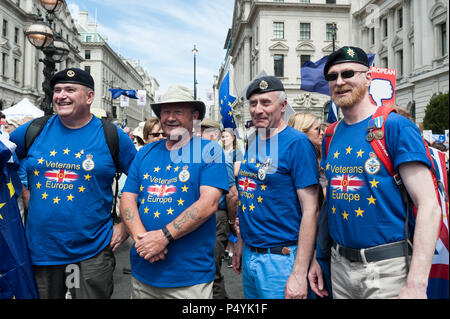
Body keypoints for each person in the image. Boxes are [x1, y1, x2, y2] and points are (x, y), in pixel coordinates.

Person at [308, 46, 441, 299]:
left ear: (368, 77)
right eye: (332, 76)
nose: (339, 82)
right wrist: (319, 257)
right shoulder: (330, 135)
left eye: (348, 73)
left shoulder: (396, 126)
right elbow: (330, 204)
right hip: (339, 267)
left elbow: (429, 205)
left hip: (388, 271)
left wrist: (416, 283)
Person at [10, 67, 137, 299]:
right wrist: (24, 188)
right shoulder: (32, 130)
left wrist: (126, 226)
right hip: (41, 251)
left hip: (92, 252)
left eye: (70, 89)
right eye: (57, 90)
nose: (61, 95)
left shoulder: (113, 136)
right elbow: (5, 161)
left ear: (89, 96)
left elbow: (141, 182)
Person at [120, 85, 229, 299]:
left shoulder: (209, 151)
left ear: (194, 116)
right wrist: (144, 241)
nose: (170, 118)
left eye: (178, 111)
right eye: (165, 112)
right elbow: (127, 199)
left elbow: (208, 204)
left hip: (189, 279)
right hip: (143, 272)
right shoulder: (145, 153)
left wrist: (164, 237)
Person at [232, 76, 320, 299]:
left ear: (283, 106)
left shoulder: (297, 143)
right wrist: (241, 242)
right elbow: (248, 195)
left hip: (281, 259)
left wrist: (299, 273)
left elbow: (311, 210)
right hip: (251, 254)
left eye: (265, 102)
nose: (258, 110)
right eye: (253, 103)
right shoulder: (254, 140)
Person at [200, 118, 238, 299]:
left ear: (214, 135)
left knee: (211, 271)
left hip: (217, 217)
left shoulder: (222, 157)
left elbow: (232, 194)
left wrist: (230, 222)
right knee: (204, 269)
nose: (198, 135)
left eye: (202, 132)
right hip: (203, 217)